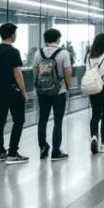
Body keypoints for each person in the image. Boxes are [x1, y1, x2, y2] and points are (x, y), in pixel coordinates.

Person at [0, 23, 29, 163]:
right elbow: (17, 74)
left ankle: (0, 153)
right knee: (19, 120)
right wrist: (24, 92)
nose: (16, 36)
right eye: (15, 33)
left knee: (0, 121)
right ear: (11, 35)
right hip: (12, 91)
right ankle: (12, 152)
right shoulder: (13, 52)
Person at [32, 28, 72, 160]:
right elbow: (67, 71)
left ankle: (43, 148)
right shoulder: (63, 53)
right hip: (58, 91)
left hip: (42, 91)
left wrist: (39, 85)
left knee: (42, 119)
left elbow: (35, 70)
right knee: (58, 120)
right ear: (58, 38)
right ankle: (56, 151)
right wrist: (68, 87)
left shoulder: (39, 53)